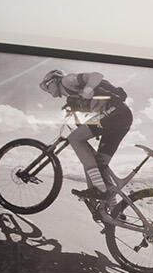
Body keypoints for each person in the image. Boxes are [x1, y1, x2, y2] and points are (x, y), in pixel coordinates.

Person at [38, 68, 132, 196]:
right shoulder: (71, 97)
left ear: (54, 80)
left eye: (47, 86)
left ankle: (99, 189)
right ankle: (113, 210)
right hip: (122, 118)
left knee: (75, 139)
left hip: (115, 113)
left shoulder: (67, 81)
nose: (47, 91)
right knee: (97, 164)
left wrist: (88, 88)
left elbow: (97, 75)